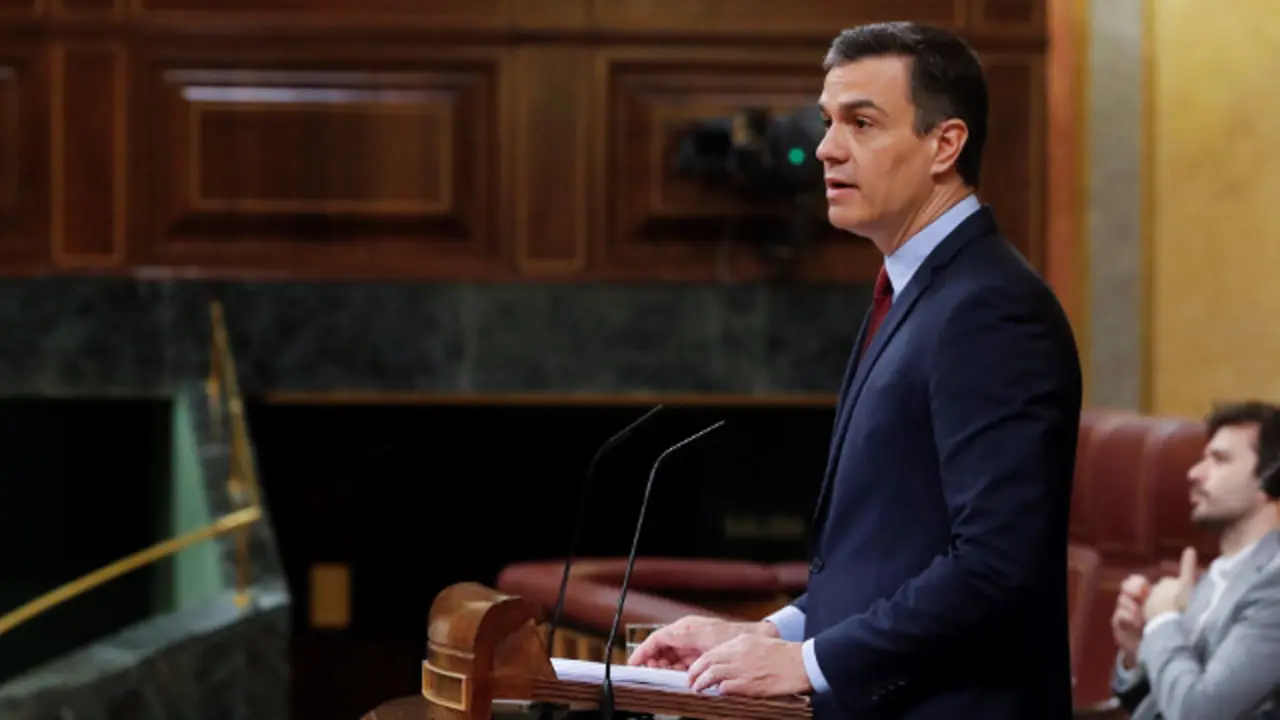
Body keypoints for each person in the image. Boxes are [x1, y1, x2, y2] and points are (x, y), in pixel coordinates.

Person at [628, 21, 1082, 719]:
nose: (825, 148)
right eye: (827, 121)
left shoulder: (990, 308)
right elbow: (889, 555)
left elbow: (995, 564)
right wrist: (766, 634)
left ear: (945, 144)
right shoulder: (917, 291)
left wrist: (805, 665)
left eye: (861, 123)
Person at [1110, 402, 1280, 719]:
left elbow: (1199, 713)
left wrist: (1162, 622)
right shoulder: (1215, 573)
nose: (1193, 473)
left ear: (1269, 478)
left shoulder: (1275, 583)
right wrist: (1137, 651)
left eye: (1219, 459)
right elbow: (1156, 701)